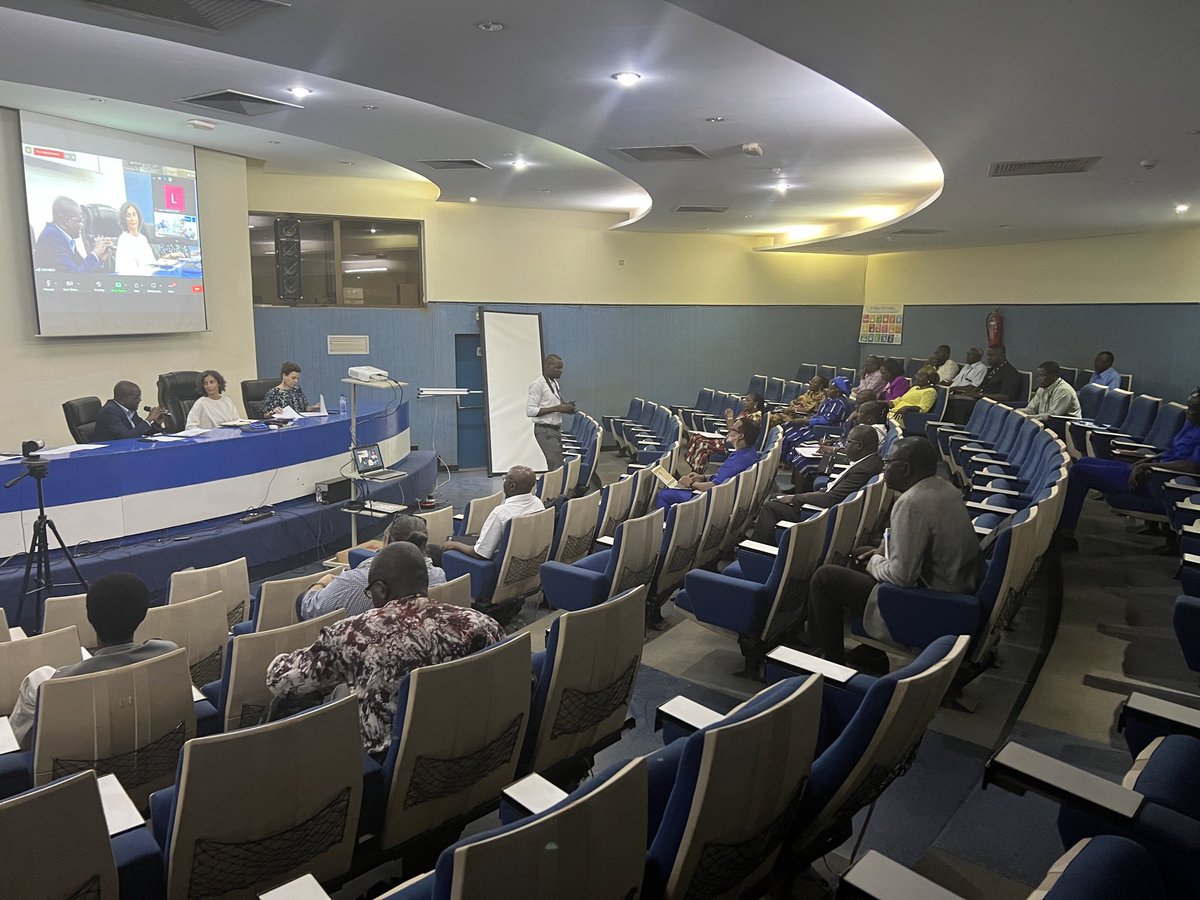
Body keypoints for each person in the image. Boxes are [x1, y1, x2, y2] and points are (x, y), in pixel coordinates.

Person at [266, 543, 504, 757]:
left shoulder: (353, 633)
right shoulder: (478, 622)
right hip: (461, 745)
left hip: (381, 758)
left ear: (380, 589)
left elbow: (280, 680)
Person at [805, 436, 981, 665]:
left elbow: (902, 576)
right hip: (954, 583)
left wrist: (874, 562)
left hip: (929, 601)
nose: (884, 467)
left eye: (888, 462)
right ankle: (872, 653)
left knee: (825, 577)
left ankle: (831, 661)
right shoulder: (944, 488)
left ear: (905, 469)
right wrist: (881, 549)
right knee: (862, 552)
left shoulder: (911, 503)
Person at [9, 573, 177, 749]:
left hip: (76, 768)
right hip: (154, 756)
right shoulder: (169, 653)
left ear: (89, 617)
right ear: (143, 615)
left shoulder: (50, 684)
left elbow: (20, 742)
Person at [1055, 392, 1200, 550]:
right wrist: (1146, 460)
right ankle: (1062, 526)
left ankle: (1065, 533)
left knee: (1079, 472)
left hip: (1158, 481)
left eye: (1193, 409)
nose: (1187, 411)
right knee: (1084, 461)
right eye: (1188, 407)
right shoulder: (1191, 424)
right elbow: (1171, 451)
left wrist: (1148, 467)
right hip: (1153, 469)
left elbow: (1192, 466)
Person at [752, 424, 883, 543]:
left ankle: (757, 551)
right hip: (828, 504)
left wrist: (796, 497)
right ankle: (768, 541)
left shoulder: (863, 470)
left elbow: (831, 499)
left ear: (859, 445)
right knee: (777, 499)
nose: (845, 446)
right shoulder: (871, 461)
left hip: (820, 515)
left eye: (848, 442)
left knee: (771, 507)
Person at [300, 515, 447, 620]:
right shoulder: (439, 575)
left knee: (302, 600)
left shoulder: (352, 581)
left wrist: (320, 583)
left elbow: (309, 608)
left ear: (386, 541)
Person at [657, 416, 760, 511]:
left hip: (712, 502)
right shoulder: (748, 453)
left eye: (733, 429)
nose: (729, 430)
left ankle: (665, 528)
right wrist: (703, 477)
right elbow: (725, 478)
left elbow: (714, 487)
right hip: (721, 497)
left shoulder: (739, 460)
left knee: (664, 494)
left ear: (740, 436)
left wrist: (691, 484)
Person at [441, 465, 545, 560]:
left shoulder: (501, 513)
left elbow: (480, 553)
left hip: (489, 564)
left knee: (439, 548)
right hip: (523, 562)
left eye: (505, 479)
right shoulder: (538, 503)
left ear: (512, 486)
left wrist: (453, 545)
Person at [944, 344, 1022, 424]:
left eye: (992, 355)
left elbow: (1005, 396)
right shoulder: (992, 369)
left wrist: (981, 395)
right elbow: (982, 386)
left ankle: (957, 430)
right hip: (981, 400)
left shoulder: (1010, 372)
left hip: (992, 405)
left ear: (1002, 355)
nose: (988, 358)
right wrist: (970, 393)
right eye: (988, 355)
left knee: (956, 404)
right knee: (949, 400)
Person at [781, 378, 851, 466]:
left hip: (825, 430)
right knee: (788, 425)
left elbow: (826, 420)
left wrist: (806, 420)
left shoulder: (838, 403)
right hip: (816, 426)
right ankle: (782, 459)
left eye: (830, 388)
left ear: (837, 391)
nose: (827, 390)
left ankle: (788, 462)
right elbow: (819, 415)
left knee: (793, 435)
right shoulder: (830, 399)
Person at [685, 393, 763, 472]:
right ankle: (694, 470)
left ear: (755, 403)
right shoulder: (745, 413)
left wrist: (729, 418)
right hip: (728, 439)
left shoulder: (755, 417)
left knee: (702, 443)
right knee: (696, 437)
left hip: (735, 444)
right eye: (745, 400)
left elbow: (733, 431)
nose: (745, 402)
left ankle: (697, 472)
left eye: (748, 400)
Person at [32, 196, 111, 272]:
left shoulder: (64, 237)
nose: (82, 225)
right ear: (67, 221)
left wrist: (99, 258)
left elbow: (81, 266)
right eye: (79, 221)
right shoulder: (51, 237)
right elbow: (75, 274)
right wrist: (95, 252)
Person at [527, 354, 575, 472]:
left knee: (556, 464)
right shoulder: (537, 384)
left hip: (555, 429)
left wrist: (567, 407)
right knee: (556, 466)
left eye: (561, 368)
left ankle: (555, 488)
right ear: (547, 367)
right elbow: (530, 411)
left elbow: (555, 403)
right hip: (545, 430)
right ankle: (555, 490)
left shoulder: (554, 383)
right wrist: (557, 408)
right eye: (557, 368)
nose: (560, 371)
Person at [93, 380, 169, 440]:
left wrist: (156, 424)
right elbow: (127, 437)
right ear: (122, 398)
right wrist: (149, 419)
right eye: (136, 398)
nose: (140, 400)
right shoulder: (109, 412)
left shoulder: (129, 408)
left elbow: (140, 431)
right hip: (110, 453)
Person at [113, 201, 156, 275]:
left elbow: (152, 263)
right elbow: (128, 270)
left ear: (138, 217)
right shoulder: (124, 239)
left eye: (134, 215)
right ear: (124, 219)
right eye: (128, 216)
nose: (132, 218)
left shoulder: (142, 238)